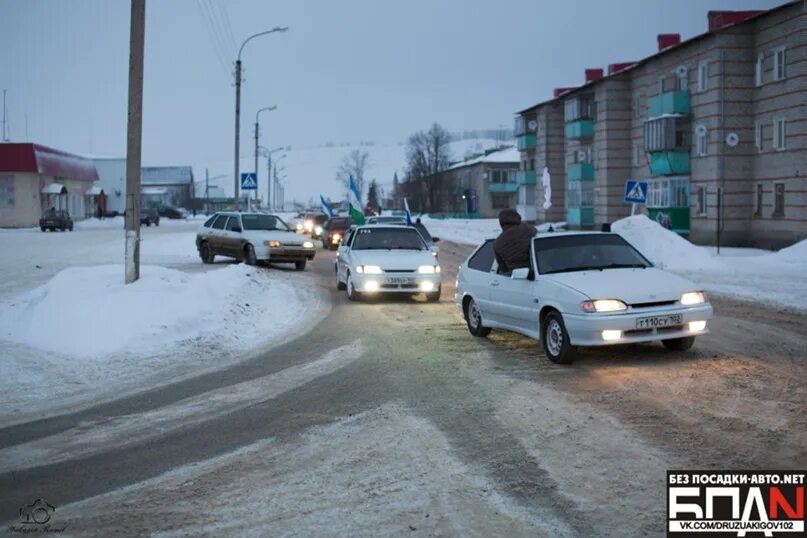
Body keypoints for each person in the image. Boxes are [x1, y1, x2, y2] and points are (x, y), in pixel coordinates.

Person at [493, 208, 535, 274]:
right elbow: (536, 234)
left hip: (515, 277)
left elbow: (503, 268)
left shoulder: (497, 243)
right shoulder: (525, 229)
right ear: (518, 217)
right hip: (534, 273)